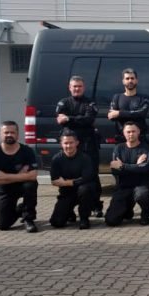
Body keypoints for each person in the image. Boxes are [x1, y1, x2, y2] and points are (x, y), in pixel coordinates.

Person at [55, 75, 103, 217]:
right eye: (74, 86)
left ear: (84, 87)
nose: (77, 89)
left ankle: (96, 206)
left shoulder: (90, 102)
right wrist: (79, 119)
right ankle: (68, 207)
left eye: (79, 86)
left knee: (92, 175)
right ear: (69, 88)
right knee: (68, 174)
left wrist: (70, 118)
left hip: (88, 145)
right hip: (70, 147)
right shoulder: (63, 103)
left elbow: (89, 119)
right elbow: (61, 120)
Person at [0, 121, 39, 233]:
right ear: (0, 134)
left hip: (21, 186)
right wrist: (22, 175)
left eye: (12, 132)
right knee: (2, 224)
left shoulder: (27, 151)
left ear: (17, 134)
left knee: (31, 185)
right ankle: (20, 209)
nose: (9, 135)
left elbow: (33, 176)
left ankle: (28, 219)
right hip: (4, 190)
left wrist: (4, 177)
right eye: (6, 132)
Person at [104, 122, 149, 226]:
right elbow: (115, 170)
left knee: (142, 194)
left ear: (138, 132)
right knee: (111, 221)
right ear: (124, 133)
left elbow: (145, 168)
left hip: (140, 185)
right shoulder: (118, 148)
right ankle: (127, 210)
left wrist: (123, 166)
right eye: (128, 132)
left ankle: (145, 214)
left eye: (133, 131)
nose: (131, 134)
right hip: (123, 187)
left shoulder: (145, 148)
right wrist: (136, 165)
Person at [49, 130, 98, 230]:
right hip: (67, 193)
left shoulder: (85, 158)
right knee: (56, 223)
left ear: (77, 143)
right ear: (61, 144)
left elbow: (87, 178)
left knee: (85, 189)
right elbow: (54, 180)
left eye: (71, 143)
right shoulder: (56, 159)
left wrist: (67, 182)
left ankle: (84, 218)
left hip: (84, 192)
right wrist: (73, 182)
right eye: (65, 143)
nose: (68, 146)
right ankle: (69, 213)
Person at [107, 68, 149, 141]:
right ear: (123, 81)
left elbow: (142, 113)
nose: (130, 81)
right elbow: (112, 116)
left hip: (140, 139)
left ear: (136, 80)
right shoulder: (117, 97)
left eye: (132, 78)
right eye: (127, 78)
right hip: (121, 138)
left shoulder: (144, 98)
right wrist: (133, 115)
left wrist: (119, 113)